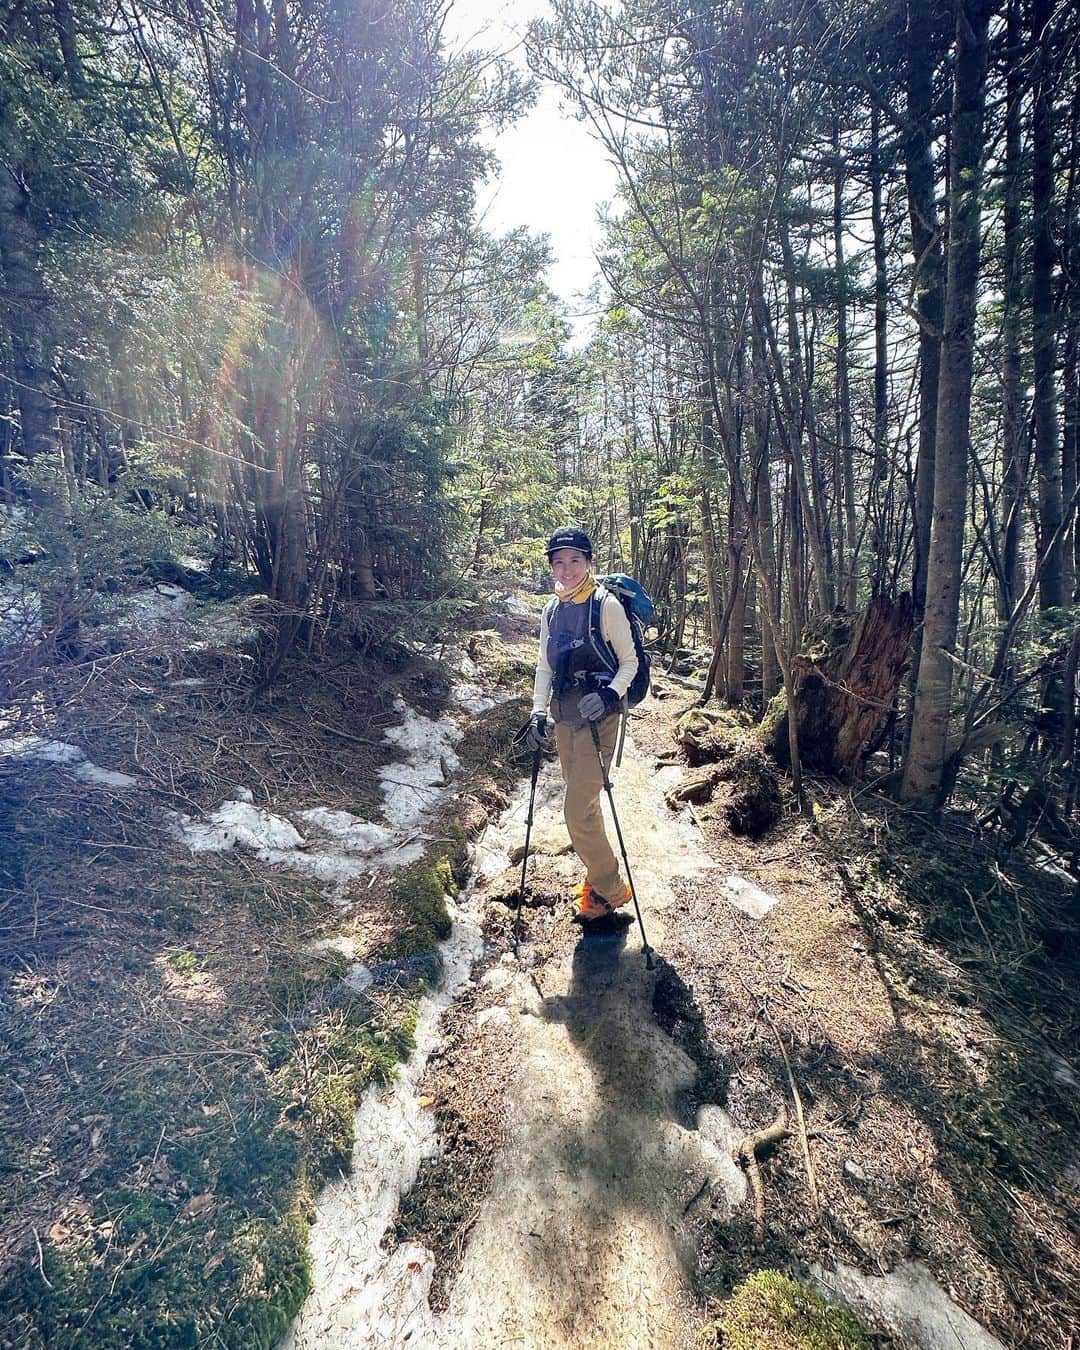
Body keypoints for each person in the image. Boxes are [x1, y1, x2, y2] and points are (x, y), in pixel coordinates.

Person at [526, 526, 639, 922]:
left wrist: (610, 695)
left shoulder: (605, 605)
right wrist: (538, 710)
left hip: (601, 719)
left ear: (589, 562)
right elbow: (544, 665)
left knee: (575, 810)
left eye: (575, 560)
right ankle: (597, 873)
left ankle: (610, 889)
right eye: (559, 561)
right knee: (584, 804)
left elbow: (629, 662)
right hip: (565, 716)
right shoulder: (552, 610)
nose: (567, 569)